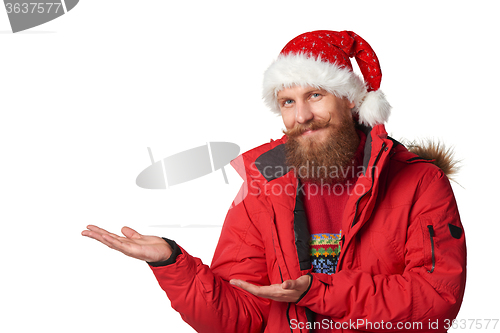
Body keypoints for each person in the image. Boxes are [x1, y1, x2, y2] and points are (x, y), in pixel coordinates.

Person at [82, 30, 466, 333]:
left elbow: (435, 303)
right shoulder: (264, 186)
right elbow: (240, 318)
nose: (301, 116)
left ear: (350, 100)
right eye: (287, 102)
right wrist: (172, 263)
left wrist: (317, 291)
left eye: (315, 95)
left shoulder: (419, 181)